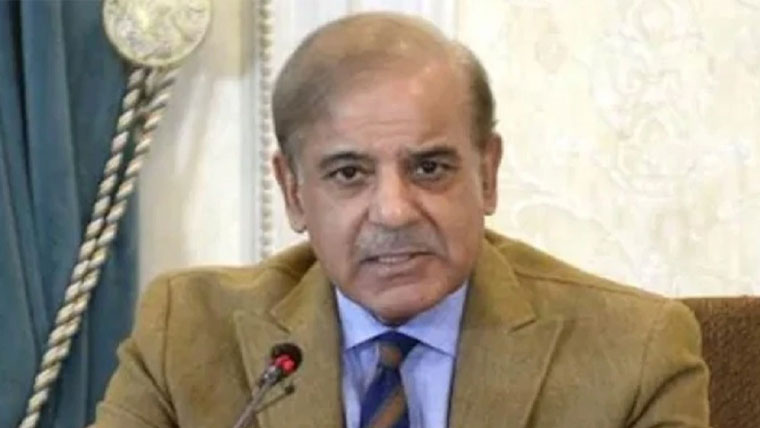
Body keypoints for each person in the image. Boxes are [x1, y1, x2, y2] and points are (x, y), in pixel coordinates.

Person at [93, 12, 710, 428]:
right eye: (348, 173)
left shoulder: (635, 353)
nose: (393, 210)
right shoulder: (186, 333)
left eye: (430, 168)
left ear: (487, 172)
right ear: (294, 191)